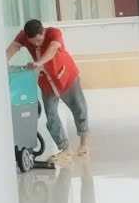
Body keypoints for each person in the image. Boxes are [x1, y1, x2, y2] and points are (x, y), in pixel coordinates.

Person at [7, 18, 88, 160]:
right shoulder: (23, 35)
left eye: (39, 40)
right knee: (51, 116)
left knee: (79, 109)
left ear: (43, 31)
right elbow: (12, 48)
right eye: (33, 42)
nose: (36, 44)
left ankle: (84, 144)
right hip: (46, 82)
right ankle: (65, 148)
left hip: (66, 77)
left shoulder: (54, 33)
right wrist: (1, 63)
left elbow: (52, 50)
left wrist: (38, 63)